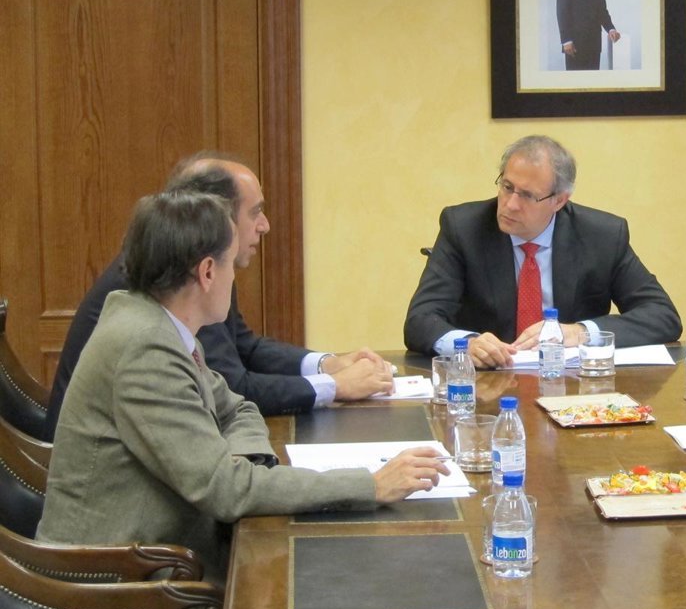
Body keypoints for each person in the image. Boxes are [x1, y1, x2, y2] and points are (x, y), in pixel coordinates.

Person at [37, 190, 449, 580]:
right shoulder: (145, 348)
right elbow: (225, 490)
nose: (235, 277)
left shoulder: (158, 323)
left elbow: (238, 407)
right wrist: (372, 484)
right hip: (115, 583)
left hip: (157, 552)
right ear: (207, 272)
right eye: (231, 265)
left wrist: (241, 464)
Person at [47, 153, 393, 434]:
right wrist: (334, 385)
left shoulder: (201, 264)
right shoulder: (177, 280)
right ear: (215, 215)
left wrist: (326, 364)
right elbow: (233, 386)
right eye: (255, 212)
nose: (265, 225)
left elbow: (244, 348)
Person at [404, 135, 681, 368]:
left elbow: (662, 315)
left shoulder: (602, 236)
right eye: (507, 187)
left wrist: (580, 332)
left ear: (559, 201)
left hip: (573, 387)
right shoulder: (463, 228)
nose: (510, 204)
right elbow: (420, 320)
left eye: (527, 195)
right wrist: (467, 343)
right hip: (489, 385)